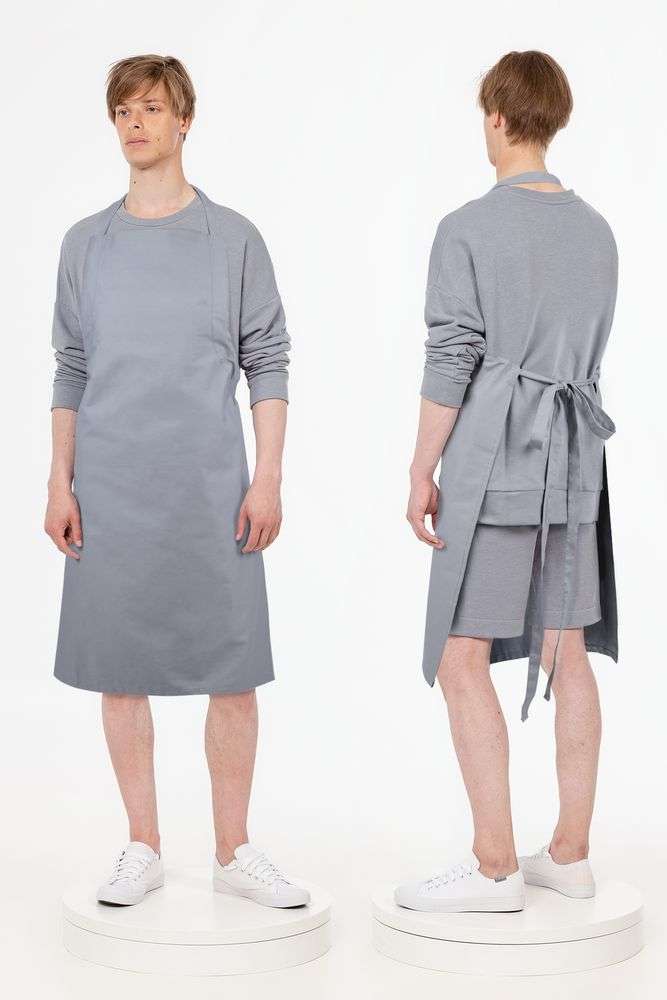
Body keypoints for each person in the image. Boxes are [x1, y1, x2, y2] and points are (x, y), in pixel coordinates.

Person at [45, 54, 309, 909]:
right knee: (120, 668)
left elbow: (267, 360)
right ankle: (142, 845)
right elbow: (71, 367)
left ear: (183, 120)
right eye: (123, 109)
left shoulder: (232, 239)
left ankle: (233, 850)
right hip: (111, 484)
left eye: (152, 107)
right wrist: (59, 481)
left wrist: (268, 476)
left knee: (232, 668)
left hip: (211, 486)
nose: (135, 122)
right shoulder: (86, 244)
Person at [396, 51, 618, 913]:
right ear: (553, 118)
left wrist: (422, 466)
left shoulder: (468, 227)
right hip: (575, 460)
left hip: (495, 462)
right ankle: (570, 854)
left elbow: (453, 355)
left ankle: (494, 868)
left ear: (494, 115)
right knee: (567, 650)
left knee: (460, 659)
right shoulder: (597, 230)